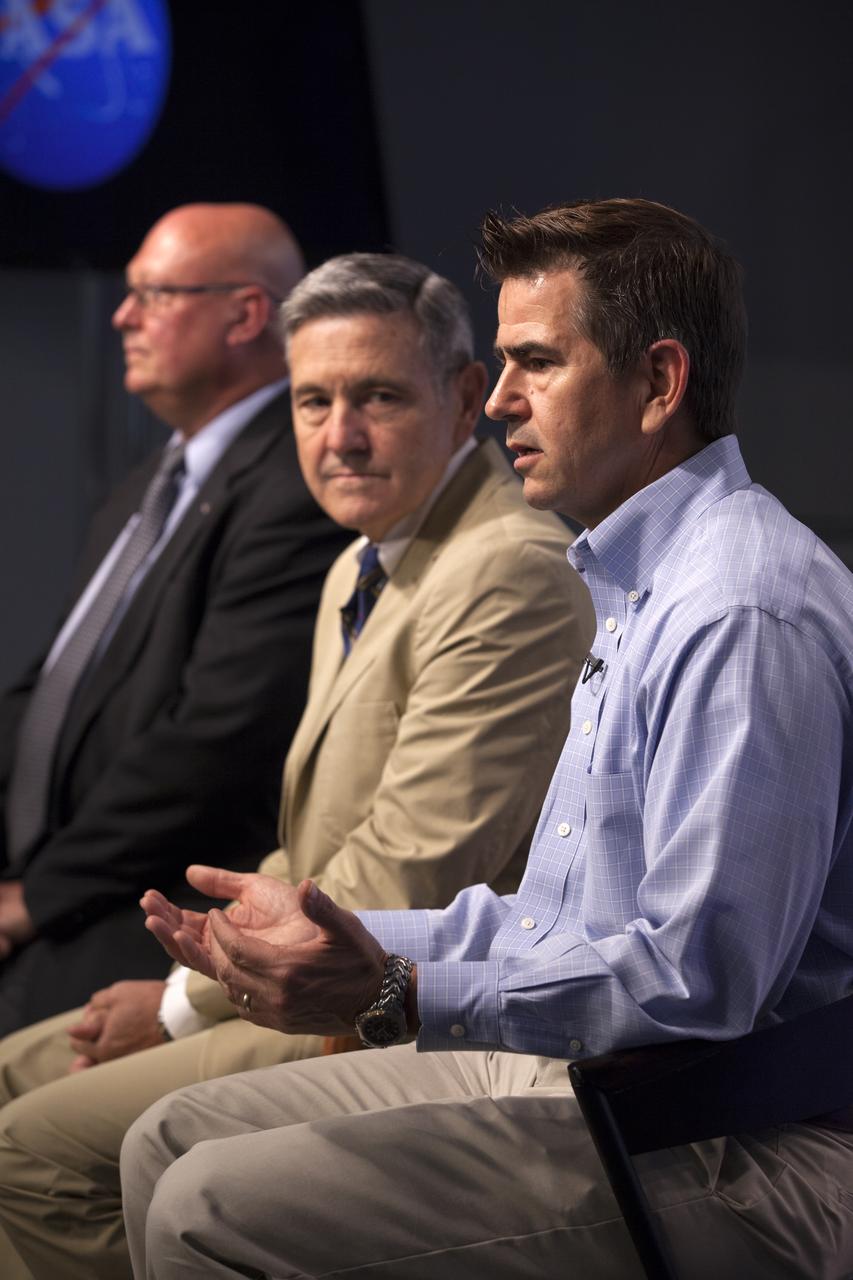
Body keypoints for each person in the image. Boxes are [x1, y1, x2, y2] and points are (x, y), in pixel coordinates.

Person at [122, 199, 853, 1280]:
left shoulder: (740, 606)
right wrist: (343, 934)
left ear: (659, 382)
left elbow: (700, 983)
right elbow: (555, 919)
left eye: (535, 362)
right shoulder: (640, 579)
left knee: (205, 1200)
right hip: (619, 1081)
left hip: (742, 1139)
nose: (498, 398)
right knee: (166, 1138)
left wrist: (393, 991)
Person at [0, 253, 593, 1280]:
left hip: (384, 1010)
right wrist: (184, 966)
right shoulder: (356, 559)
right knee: (10, 1074)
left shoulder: (507, 569)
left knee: (31, 1153)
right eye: (313, 402)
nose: (339, 435)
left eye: (376, 396)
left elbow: (406, 876)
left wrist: (183, 1001)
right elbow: (313, 841)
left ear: (463, 399)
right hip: (297, 981)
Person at [0, 202, 348, 1037]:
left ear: (246, 314)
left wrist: (34, 900)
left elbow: (217, 736)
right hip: (64, 876)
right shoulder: (149, 481)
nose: (123, 316)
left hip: (156, 898)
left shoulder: (294, 485)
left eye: (153, 294)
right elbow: (52, 691)